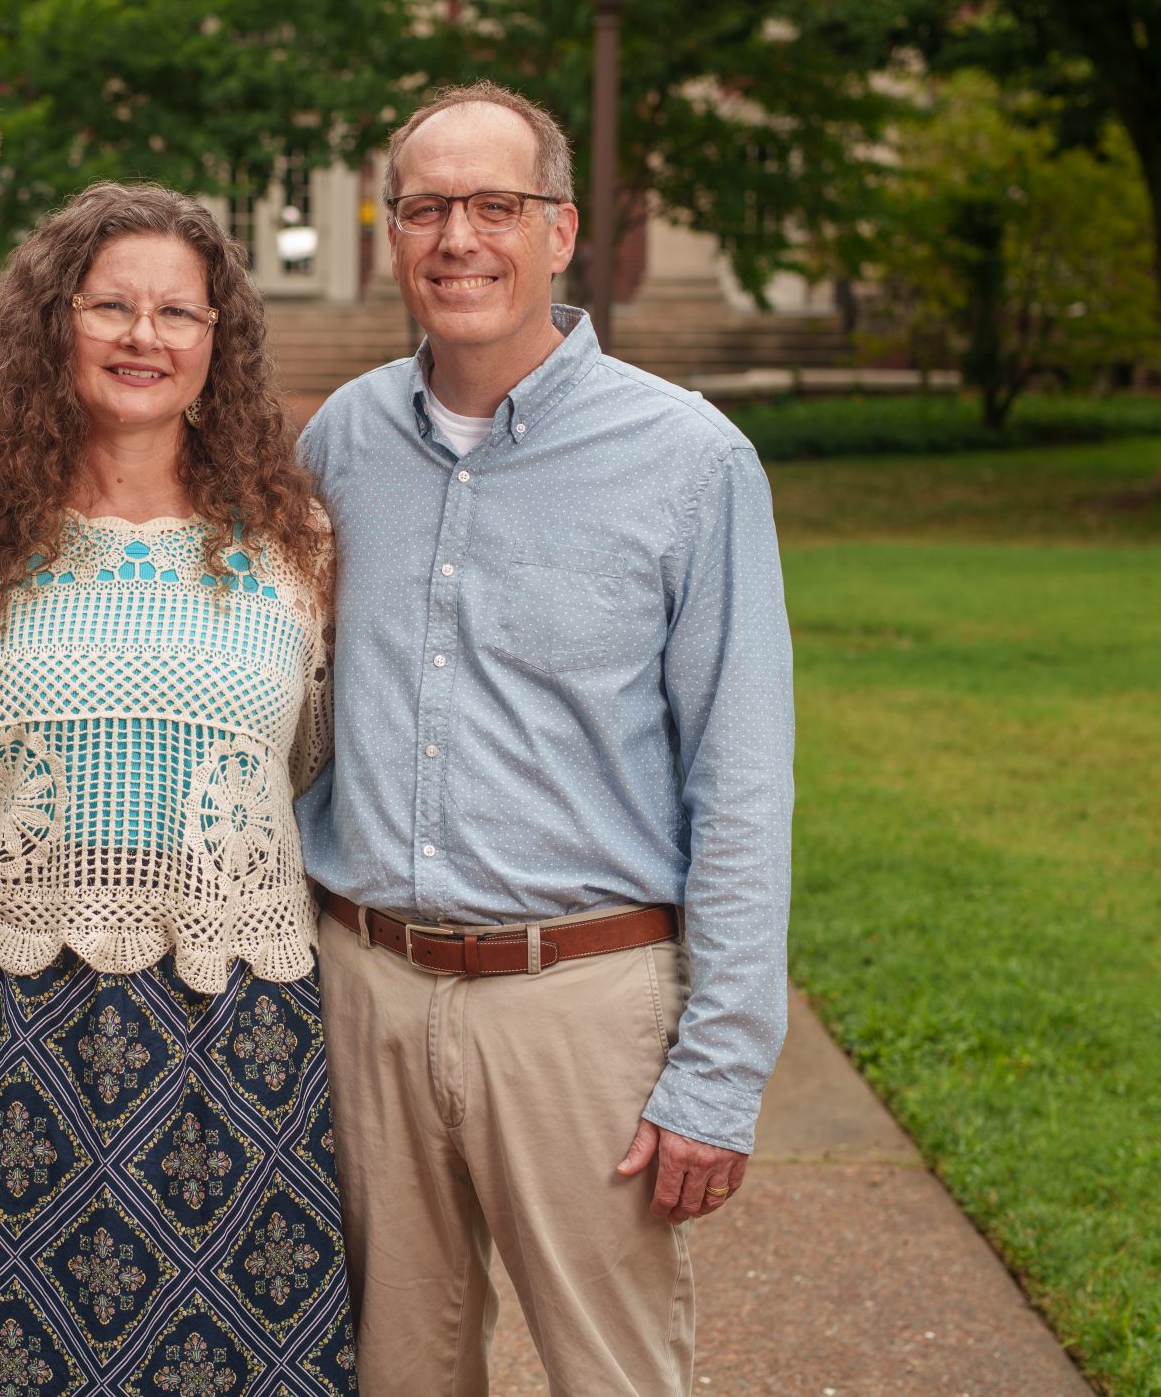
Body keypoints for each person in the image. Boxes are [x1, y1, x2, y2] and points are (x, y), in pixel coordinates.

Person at [297, 82, 795, 1397]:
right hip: (368, 991)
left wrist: (719, 1072)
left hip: (584, 1005)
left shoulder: (692, 462)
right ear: (391, 231)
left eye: (494, 206)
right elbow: (269, 697)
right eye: (425, 207)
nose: (458, 236)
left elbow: (742, 785)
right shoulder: (340, 441)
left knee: (613, 1376)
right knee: (395, 1373)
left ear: (561, 231)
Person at [0, 183, 359, 1396]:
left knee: (224, 1360)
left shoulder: (295, 548)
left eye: (179, 311)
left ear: (218, 340)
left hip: (234, 1030)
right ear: (51, 327)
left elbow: (312, 778)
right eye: (109, 305)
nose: (143, 336)